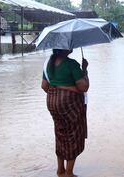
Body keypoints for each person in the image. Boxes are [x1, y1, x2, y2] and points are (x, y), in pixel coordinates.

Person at [41, 49, 89, 177]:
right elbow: (83, 87)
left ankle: (60, 170)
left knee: (60, 133)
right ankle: (69, 173)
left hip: (52, 103)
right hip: (69, 104)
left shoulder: (47, 63)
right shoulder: (71, 64)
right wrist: (84, 70)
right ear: (64, 48)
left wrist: (59, 89)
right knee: (73, 135)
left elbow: (44, 86)